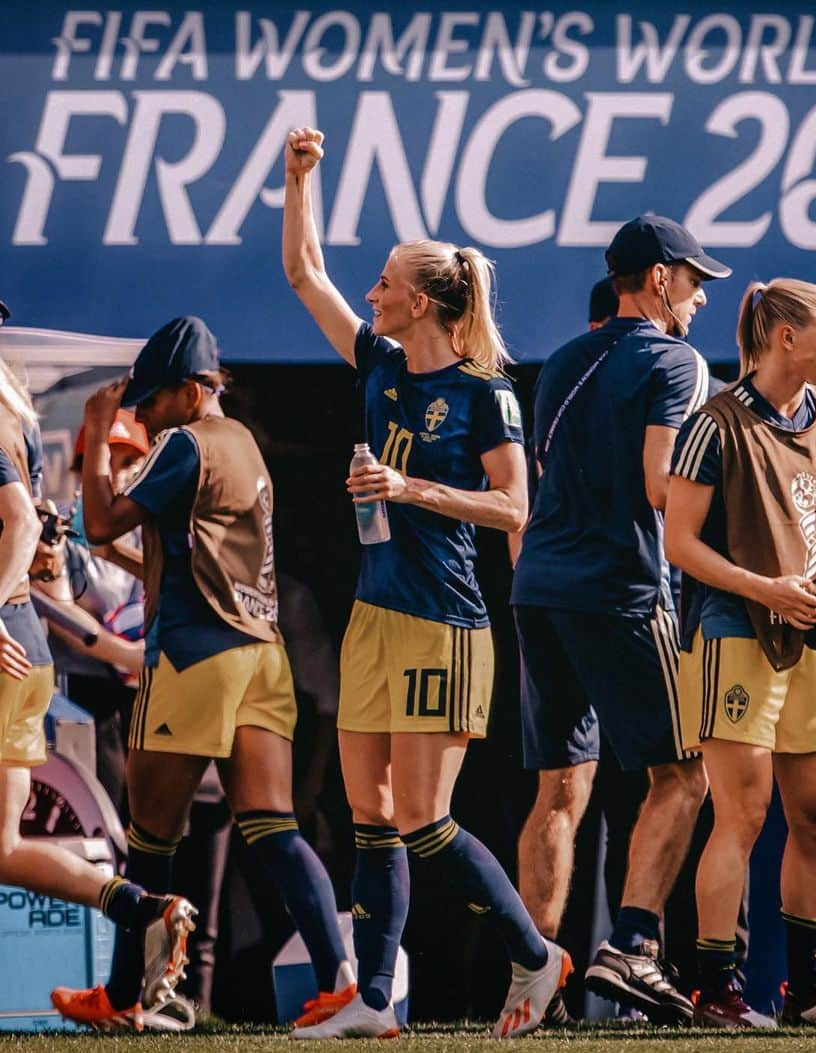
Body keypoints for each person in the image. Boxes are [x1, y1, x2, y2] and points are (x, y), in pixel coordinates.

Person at [282, 125, 568, 1040]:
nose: (371, 292)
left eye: (386, 283)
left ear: (423, 302)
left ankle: (536, 953)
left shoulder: (487, 391)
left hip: (446, 620)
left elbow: (515, 506)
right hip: (375, 613)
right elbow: (304, 274)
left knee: (425, 820)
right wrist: (300, 180)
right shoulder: (378, 362)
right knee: (367, 814)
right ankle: (373, 999)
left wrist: (411, 488)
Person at [51, 316, 356, 1031]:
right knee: (274, 826)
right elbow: (189, 559)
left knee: (150, 838)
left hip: (194, 657)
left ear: (191, 392)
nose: (146, 417)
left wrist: (98, 430)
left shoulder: (184, 443)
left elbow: (100, 524)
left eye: (153, 402)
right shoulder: (244, 445)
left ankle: (127, 995)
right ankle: (341, 980)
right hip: (261, 656)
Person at [511, 215, 719, 1025]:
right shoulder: (677, 360)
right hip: (621, 591)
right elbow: (663, 485)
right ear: (659, 278)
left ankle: (536, 979)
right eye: (694, 280)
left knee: (559, 790)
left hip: (540, 588)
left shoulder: (562, 359)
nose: (700, 297)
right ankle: (633, 946)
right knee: (684, 772)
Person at [665, 278, 816, 1029]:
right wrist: (766, 589)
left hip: (810, 636)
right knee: (743, 815)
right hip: (733, 632)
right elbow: (679, 543)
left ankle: (807, 991)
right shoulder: (714, 422)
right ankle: (716, 991)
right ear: (785, 336)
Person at [0, 352, 193, 1031]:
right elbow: (40, 538)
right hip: (28, 647)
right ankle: (138, 906)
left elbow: (24, 526)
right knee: (2, 848)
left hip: (13, 645)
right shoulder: (16, 418)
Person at [33, 410, 149, 810]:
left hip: (140, 695)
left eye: (130, 462)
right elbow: (58, 612)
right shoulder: (59, 525)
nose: (117, 475)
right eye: (105, 462)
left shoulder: (147, 529)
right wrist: (129, 654)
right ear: (83, 467)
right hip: (77, 697)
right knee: (94, 812)